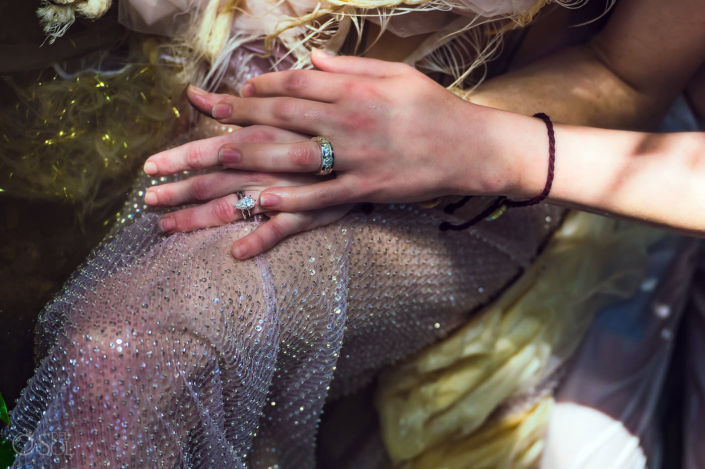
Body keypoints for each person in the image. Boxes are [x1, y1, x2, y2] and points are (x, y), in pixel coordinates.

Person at [1, 1, 702, 468]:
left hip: (462, 122)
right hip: (103, 85)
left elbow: (625, 71)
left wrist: (463, 137)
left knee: (134, 354)